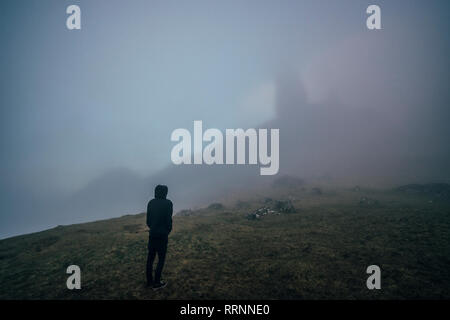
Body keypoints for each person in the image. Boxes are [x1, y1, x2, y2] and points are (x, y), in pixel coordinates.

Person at [146, 184, 173, 290]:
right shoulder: (168, 203)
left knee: (150, 259)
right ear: (165, 192)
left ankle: (149, 282)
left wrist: (152, 227)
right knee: (161, 259)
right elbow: (168, 220)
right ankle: (157, 283)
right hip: (162, 236)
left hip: (152, 234)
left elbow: (148, 221)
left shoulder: (151, 203)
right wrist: (167, 230)